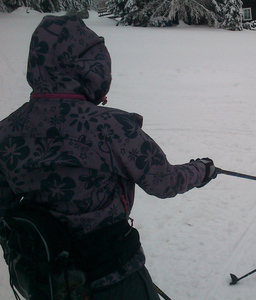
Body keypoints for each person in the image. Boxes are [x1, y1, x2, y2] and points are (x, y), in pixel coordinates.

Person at [0, 15, 216, 299]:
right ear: (91, 67)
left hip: (47, 283)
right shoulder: (111, 127)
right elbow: (164, 182)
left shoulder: (6, 131)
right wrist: (201, 171)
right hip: (113, 279)